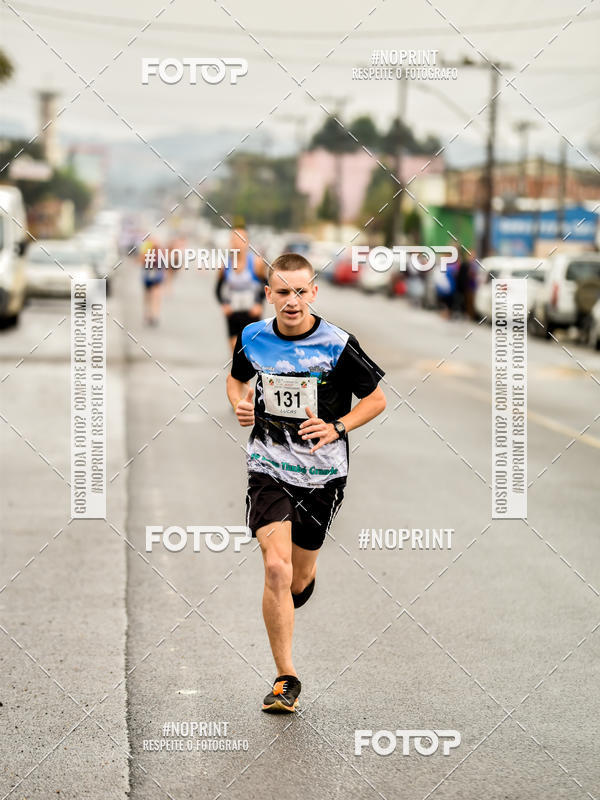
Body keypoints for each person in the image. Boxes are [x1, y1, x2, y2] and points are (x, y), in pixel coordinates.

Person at [225, 252, 386, 713]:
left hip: (323, 475)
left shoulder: (337, 343)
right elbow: (236, 382)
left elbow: (376, 399)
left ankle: (296, 590)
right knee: (275, 568)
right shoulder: (253, 337)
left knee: (298, 578)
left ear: (314, 292)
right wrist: (240, 404)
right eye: (282, 292)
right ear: (269, 294)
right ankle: (285, 678)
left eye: (300, 291)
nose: (291, 301)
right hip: (269, 465)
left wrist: (338, 426)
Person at [216, 227, 266, 351]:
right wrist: (224, 305)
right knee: (234, 349)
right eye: (234, 239)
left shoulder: (256, 263)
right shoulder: (225, 264)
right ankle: (236, 369)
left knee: (250, 349)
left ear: (247, 242)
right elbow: (217, 289)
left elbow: (266, 286)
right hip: (233, 312)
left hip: (251, 313)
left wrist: (259, 304)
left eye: (241, 239)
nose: (237, 243)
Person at [139, 238, 164, 326]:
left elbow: (141, 261)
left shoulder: (147, 250)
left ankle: (150, 314)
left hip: (149, 275)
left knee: (149, 296)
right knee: (154, 297)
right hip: (154, 275)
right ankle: (153, 314)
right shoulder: (159, 251)